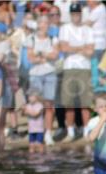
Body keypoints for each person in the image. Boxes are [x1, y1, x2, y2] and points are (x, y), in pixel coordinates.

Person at [58, 3, 95, 141]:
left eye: (77, 14)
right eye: (73, 14)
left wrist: (73, 47)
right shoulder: (65, 28)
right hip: (69, 67)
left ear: (81, 14)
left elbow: (90, 51)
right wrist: (81, 48)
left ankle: (86, 131)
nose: (76, 16)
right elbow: (63, 47)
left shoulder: (87, 29)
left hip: (84, 67)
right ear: (70, 15)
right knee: (69, 101)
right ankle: (71, 132)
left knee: (85, 101)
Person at [26, 14, 59, 145]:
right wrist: (44, 56)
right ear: (38, 24)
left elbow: (55, 54)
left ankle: (48, 133)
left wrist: (40, 54)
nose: (44, 25)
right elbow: (31, 58)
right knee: (36, 103)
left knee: (49, 104)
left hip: (50, 73)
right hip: (35, 74)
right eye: (42, 23)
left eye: (46, 23)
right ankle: (36, 132)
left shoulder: (53, 39)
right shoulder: (31, 39)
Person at [24, 89, 45, 154]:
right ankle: (32, 158)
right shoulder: (28, 105)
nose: (29, 98)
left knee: (39, 144)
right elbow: (23, 113)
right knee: (31, 145)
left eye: (31, 96)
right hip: (31, 129)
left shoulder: (40, 105)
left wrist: (27, 111)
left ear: (37, 97)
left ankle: (42, 156)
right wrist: (24, 109)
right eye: (28, 97)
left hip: (39, 129)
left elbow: (35, 114)